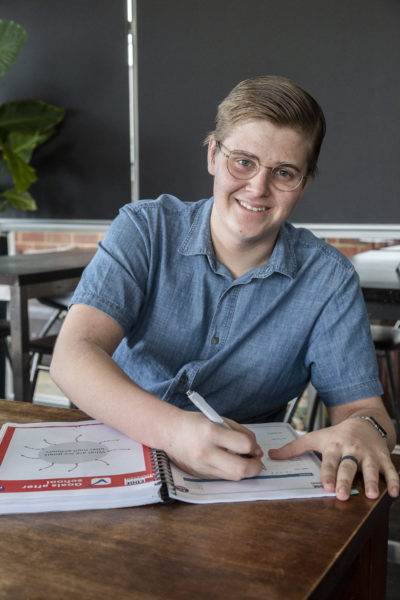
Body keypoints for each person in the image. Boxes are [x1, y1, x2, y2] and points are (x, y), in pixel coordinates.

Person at [51, 75, 399, 502]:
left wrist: (365, 430)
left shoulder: (329, 279)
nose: (258, 188)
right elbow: (72, 355)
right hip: (115, 451)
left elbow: (366, 412)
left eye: (284, 172)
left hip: (240, 481)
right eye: (244, 162)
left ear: (305, 182)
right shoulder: (146, 228)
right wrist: (174, 431)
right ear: (214, 154)